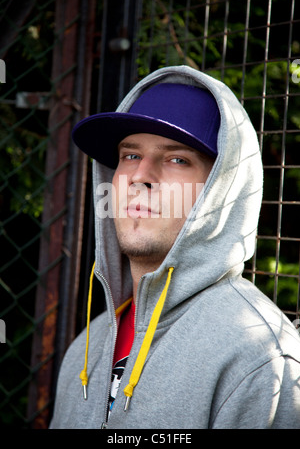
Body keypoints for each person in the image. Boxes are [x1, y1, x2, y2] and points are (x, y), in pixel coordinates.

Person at [50, 65, 300, 429]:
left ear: (222, 190)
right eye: (130, 155)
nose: (139, 176)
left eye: (177, 159)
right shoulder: (85, 349)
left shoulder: (259, 355)